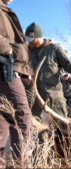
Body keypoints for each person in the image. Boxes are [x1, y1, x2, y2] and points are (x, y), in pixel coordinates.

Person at [24, 22, 71, 119]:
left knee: (62, 124)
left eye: (32, 40)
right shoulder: (26, 50)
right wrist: (23, 76)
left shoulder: (54, 49)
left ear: (39, 37)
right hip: (32, 94)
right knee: (31, 124)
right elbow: (18, 66)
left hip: (53, 94)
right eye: (28, 40)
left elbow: (68, 65)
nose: (30, 42)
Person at [0, 0, 33, 167]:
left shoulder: (5, 10)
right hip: (4, 72)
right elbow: (9, 46)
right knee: (22, 119)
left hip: (9, 69)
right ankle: (21, 165)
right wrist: (8, 49)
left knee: (2, 124)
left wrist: (22, 70)